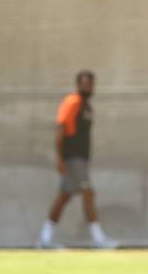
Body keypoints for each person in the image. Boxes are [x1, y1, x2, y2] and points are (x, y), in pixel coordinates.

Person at [38, 71, 117, 249]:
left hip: (80, 160)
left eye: (91, 84)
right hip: (72, 159)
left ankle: (45, 238)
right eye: (85, 84)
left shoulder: (87, 106)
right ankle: (99, 239)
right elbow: (60, 129)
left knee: (64, 196)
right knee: (88, 193)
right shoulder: (72, 102)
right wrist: (59, 158)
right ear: (78, 84)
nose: (88, 87)